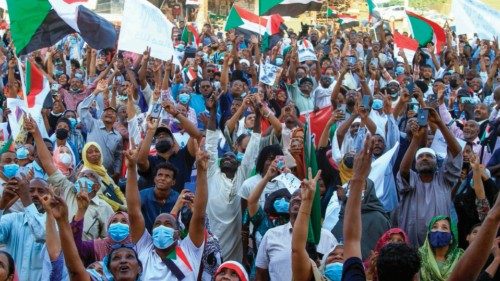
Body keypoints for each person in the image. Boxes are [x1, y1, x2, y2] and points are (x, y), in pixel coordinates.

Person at [124, 141, 207, 280]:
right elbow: (133, 212)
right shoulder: (145, 249)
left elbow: (199, 215)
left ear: (177, 232)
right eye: (157, 224)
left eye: (168, 224)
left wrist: (202, 171)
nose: (161, 227)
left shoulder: (189, 250)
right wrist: (131, 168)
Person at [397, 108, 463, 246]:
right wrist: (415, 140)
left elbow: (456, 152)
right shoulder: (411, 180)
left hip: (439, 248)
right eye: (420, 157)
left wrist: (440, 123)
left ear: (436, 162)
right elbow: (403, 170)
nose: (425, 158)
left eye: (429, 156)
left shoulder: (444, 180)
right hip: (411, 249)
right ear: (415, 163)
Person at [0, 176, 47, 281]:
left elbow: (41, 232)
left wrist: (26, 197)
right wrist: (2, 204)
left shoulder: (55, 223)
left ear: (49, 195)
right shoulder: (14, 219)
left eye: (41, 191)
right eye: (30, 190)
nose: (35, 194)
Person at [77, 80, 123, 179]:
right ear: (101, 115)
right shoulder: (93, 124)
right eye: (106, 111)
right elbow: (82, 109)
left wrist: (117, 171)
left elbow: (118, 155)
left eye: (112, 112)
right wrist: (96, 91)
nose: (109, 113)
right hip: (88, 173)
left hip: (107, 175)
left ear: (116, 119)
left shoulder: (118, 136)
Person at [81, 142, 126, 212]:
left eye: (96, 151)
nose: (94, 154)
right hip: (102, 212)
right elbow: (99, 196)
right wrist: (120, 207)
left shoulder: (101, 169)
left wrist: (124, 202)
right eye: (90, 152)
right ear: (84, 155)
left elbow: (115, 187)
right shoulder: (86, 174)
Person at [419, 216, 464, 281]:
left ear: (451, 237)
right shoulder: (420, 257)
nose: (439, 230)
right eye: (435, 227)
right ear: (429, 235)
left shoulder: (460, 257)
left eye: (444, 228)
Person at [139, 162, 180, 232]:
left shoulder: (178, 198)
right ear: (155, 179)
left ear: (173, 182)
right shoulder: (142, 195)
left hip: (170, 238)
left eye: (167, 176)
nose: (163, 178)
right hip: (145, 238)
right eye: (160, 175)